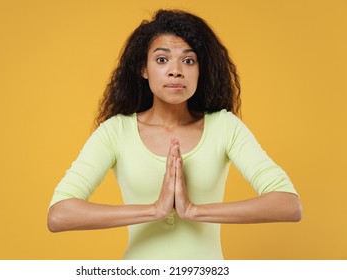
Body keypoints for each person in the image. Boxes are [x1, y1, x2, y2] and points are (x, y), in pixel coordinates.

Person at [47, 9, 302, 260]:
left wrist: (194, 211)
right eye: (162, 59)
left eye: (188, 60)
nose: (176, 70)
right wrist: (154, 210)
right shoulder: (116, 131)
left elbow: (288, 205)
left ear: (201, 70)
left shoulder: (224, 127)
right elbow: (59, 215)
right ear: (143, 69)